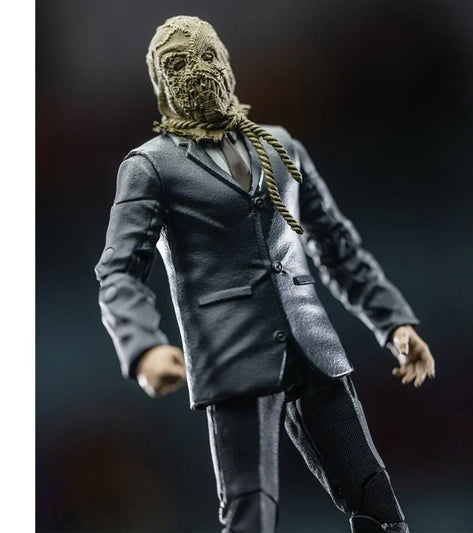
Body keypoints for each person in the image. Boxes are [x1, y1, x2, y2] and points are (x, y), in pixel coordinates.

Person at [95, 15, 435, 533]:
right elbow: (119, 268)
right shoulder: (151, 166)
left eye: (207, 56)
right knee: (251, 510)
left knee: (374, 496)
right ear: (161, 83)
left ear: (227, 63)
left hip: (314, 349)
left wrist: (392, 322)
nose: (197, 70)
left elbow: (335, 243)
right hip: (233, 355)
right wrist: (142, 347)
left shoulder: (280, 147)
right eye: (178, 63)